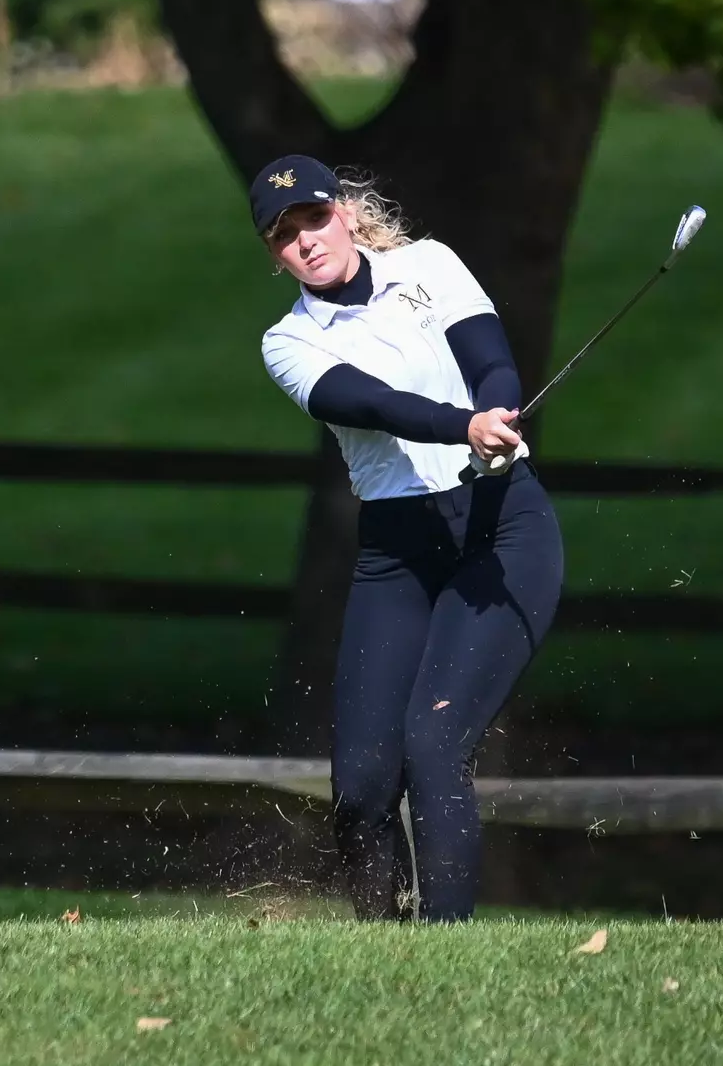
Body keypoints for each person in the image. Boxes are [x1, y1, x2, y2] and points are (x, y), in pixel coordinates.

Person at [251, 154, 564, 923]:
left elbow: (491, 361)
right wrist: (464, 425)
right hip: (397, 551)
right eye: (285, 234)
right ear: (274, 254)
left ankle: (443, 947)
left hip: (500, 528)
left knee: (433, 741)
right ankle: (384, 947)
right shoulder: (288, 342)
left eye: (314, 218)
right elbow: (371, 403)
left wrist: (495, 417)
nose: (306, 241)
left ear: (345, 213)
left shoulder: (429, 265)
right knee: (361, 785)